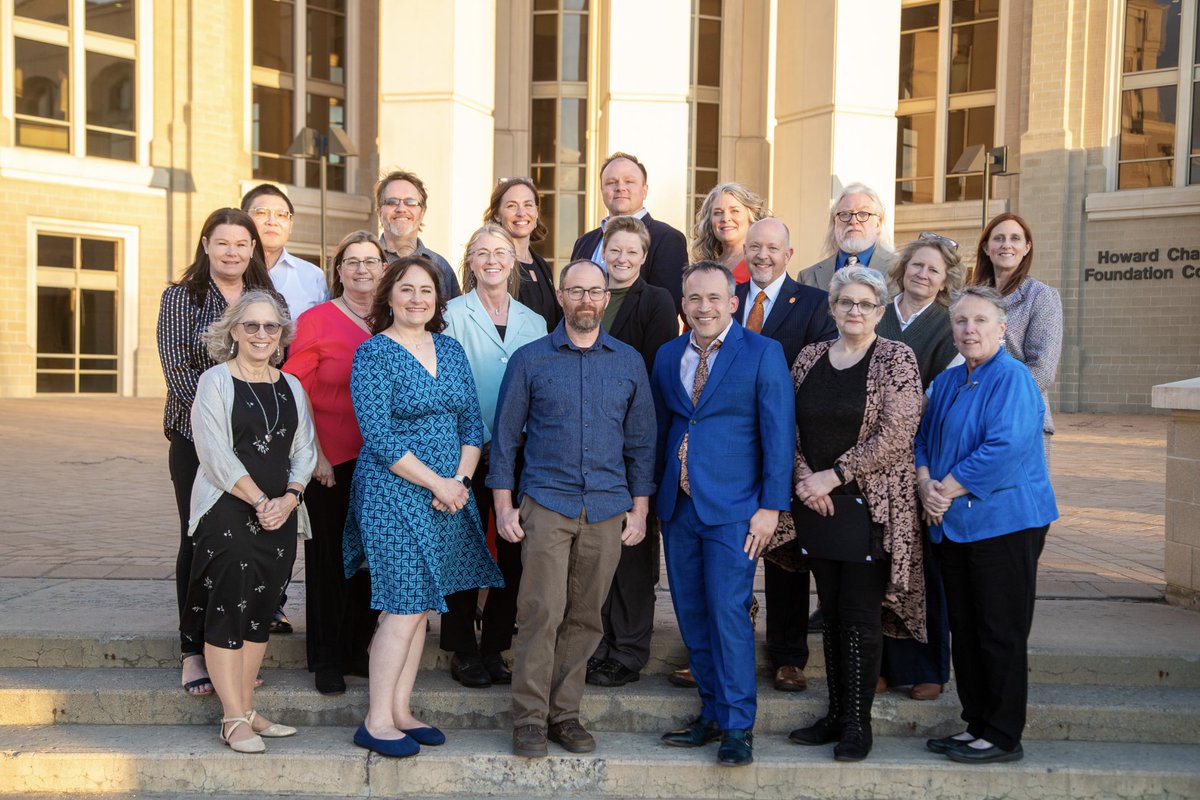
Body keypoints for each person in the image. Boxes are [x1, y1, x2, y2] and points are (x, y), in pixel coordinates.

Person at [488, 259, 656, 758]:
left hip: (607, 507)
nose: (586, 300)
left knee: (585, 618)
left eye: (596, 292)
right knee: (541, 611)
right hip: (547, 502)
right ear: (561, 297)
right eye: (576, 291)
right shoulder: (530, 359)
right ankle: (530, 718)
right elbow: (503, 441)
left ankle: (565, 715)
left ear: (607, 299)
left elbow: (642, 444)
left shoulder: (628, 361)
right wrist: (503, 506)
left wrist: (640, 510)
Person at [343, 256, 503, 758]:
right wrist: (439, 482)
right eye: (406, 289)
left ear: (438, 300)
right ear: (388, 296)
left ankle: (400, 710)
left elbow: (471, 427)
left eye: (426, 291)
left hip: (447, 493)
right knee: (403, 603)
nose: (417, 299)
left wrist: (458, 481)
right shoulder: (373, 354)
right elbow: (380, 437)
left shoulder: (450, 349)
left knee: (422, 607)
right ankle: (374, 719)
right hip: (394, 492)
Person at [651, 261, 794, 768]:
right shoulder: (669, 355)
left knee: (729, 613)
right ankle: (710, 712)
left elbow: (779, 435)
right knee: (691, 614)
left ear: (733, 302)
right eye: (694, 298)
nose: (704, 307)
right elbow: (667, 426)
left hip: (737, 510)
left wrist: (771, 507)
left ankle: (738, 726)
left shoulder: (762, 353)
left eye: (714, 298)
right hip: (680, 507)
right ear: (683, 305)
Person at [786, 266, 924, 763]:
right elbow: (789, 424)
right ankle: (835, 713)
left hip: (873, 507)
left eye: (866, 304)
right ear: (832, 307)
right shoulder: (808, 358)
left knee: (861, 616)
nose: (854, 311)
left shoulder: (895, 358)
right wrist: (806, 477)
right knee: (833, 613)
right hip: (819, 507)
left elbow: (897, 432)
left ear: (881, 311)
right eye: (846, 302)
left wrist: (834, 475)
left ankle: (857, 725)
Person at [916, 286, 1059, 765]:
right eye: (961, 322)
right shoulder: (953, 380)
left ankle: (1001, 734)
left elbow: (1007, 446)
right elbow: (923, 439)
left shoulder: (1013, 378)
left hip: (1005, 525)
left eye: (980, 321)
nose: (969, 330)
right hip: (954, 524)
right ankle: (976, 724)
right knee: (967, 628)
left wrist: (945, 488)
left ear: (1002, 329)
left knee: (999, 630)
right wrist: (924, 484)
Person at [183, 290, 315, 753]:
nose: (262, 334)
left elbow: (305, 450)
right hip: (228, 508)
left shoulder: (292, 386)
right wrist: (262, 499)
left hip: (280, 514)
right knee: (228, 608)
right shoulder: (215, 382)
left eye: (271, 327)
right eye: (252, 326)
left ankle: (248, 710)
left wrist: (290, 497)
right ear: (234, 331)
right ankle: (232, 717)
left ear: (282, 335)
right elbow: (214, 453)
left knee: (260, 609)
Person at [157, 208, 275, 698]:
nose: (232, 252)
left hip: (257, 442)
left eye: (241, 244)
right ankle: (193, 652)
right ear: (205, 245)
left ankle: (236, 653)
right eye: (222, 242)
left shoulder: (268, 300)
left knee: (246, 544)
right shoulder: (181, 298)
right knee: (200, 537)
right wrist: (222, 418)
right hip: (196, 439)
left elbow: (275, 360)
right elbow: (177, 370)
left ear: (253, 249)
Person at [440, 224, 547, 688]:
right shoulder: (449, 314)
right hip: (462, 448)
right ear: (470, 261)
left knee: (513, 549)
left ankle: (496, 647)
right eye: (481, 252)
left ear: (512, 260)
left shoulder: (534, 321)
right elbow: (442, 380)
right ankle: (462, 648)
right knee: (463, 548)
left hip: (519, 451)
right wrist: (476, 440)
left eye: (499, 252)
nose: (491, 260)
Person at [280, 231, 385, 694]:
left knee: (370, 558)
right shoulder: (316, 320)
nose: (363, 269)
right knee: (326, 558)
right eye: (352, 262)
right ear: (337, 270)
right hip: (331, 460)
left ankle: (355, 648)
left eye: (371, 261)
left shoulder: (393, 319)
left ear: (384, 268)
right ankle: (324, 657)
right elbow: (293, 389)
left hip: (384, 461)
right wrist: (316, 452)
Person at [735, 218, 837, 694]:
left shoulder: (815, 305)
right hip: (730, 448)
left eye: (772, 248)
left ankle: (789, 656)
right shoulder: (726, 297)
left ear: (788, 254)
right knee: (728, 556)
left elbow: (813, 378)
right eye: (754, 246)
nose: (762, 255)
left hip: (787, 445)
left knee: (785, 556)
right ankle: (721, 645)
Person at [584, 216, 678, 688]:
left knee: (634, 553)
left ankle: (628, 650)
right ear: (604, 251)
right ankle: (596, 644)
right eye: (614, 250)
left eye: (631, 252)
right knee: (598, 552)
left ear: (644, 257)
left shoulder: (656, 300)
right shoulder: (589, 294)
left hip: (635, 439)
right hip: (590, 444)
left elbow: (652, 370)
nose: (621, 259)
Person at [875, 232, 966, 702]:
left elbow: (941, 396)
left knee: (924, 568)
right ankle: (883, 665)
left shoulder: (949, 325)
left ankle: (929, 667)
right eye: (916, 266)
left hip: (920, 457)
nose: (923, 274)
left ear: (946, 279)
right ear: (902, 269)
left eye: (933, 269)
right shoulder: (878, 310)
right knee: (881, 563)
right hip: (873, 460)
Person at [970, 213, 1063, 465]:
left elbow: (1042, 370)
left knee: (1019, 501)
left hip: (1020, 416)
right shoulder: (968, 297)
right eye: (998, 238)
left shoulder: (1041, 297)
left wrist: (991, 397)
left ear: (1026, 247)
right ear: (986, 248)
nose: (1006, 245)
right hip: (969, 418)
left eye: (1015, 238)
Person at [570, 152, 689, 316]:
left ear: (644, 190)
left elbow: (667, 309)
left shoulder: (668, 239)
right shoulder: (584, 242)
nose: (620, 187)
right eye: (611, 182)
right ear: (602, 190)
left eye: (629, 181)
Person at [240, 183, 329, 319]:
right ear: (243, 220)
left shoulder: (313, 276)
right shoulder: (230, 269)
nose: (272, 221)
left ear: (291, 225)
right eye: (261, 212)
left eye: (281, 215)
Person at [483, 177, 561, 331]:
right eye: (512, 206)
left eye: (528, 205)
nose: (521, 213)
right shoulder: (493, 265)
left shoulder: (542, 266)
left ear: (536, 212)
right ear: (497, 214)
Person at [374, 170, 461, 300]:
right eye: (392, 202)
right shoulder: (363, 262)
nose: (401, 209)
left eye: (410, 202)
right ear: (379, 211)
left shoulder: (441, 267)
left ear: (422, 213)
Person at [800, 183, 894, 291]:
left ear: (878, 223)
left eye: (863, 214)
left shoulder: (900, 270)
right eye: (845, 214)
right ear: (834, 222)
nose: (853, 221)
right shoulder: (808, 277)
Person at [689, 183, 768, 285]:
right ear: (709, 221)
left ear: (751, 217)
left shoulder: (762, 263)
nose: (725, 218)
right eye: (718, 212)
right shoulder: (704, 268)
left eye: (734, 211)